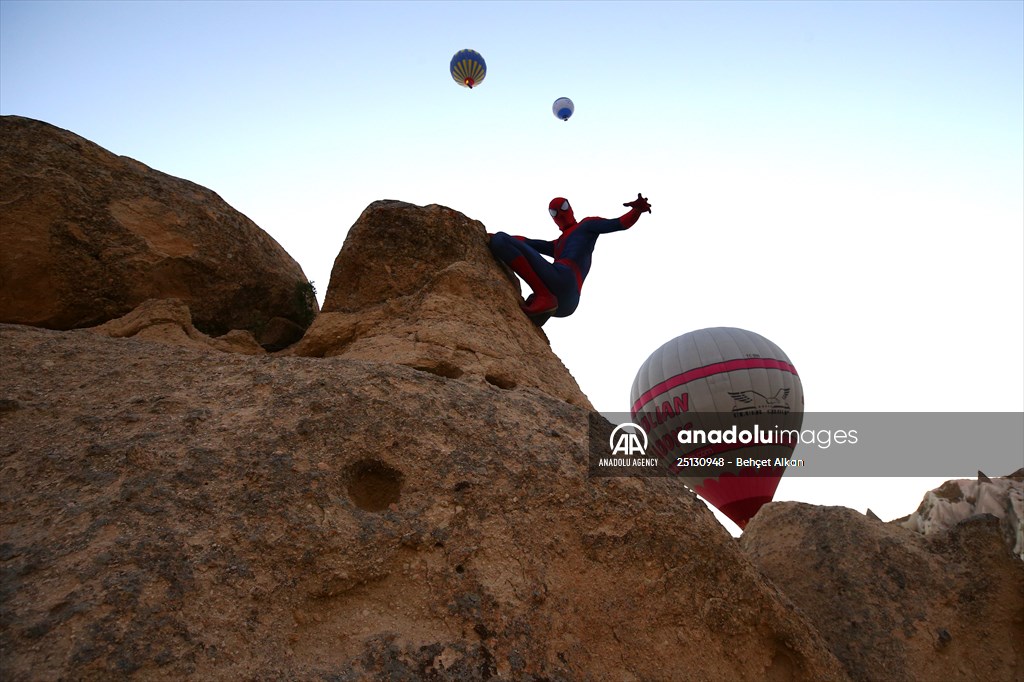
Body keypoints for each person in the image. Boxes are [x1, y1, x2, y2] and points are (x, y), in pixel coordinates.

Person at [489, 193, 652, 325]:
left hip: (564, 279)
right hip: (567, 303)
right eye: (554, 212)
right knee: (504, 241)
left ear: (571, 208)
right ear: (552, 218)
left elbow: (617, 224)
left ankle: (544, 295)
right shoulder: (557, 244)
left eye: (563, 207)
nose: (560, 213)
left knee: (500, 240)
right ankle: (542, 300)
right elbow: (528, 242)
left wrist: (636, 211)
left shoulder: (587, 225)